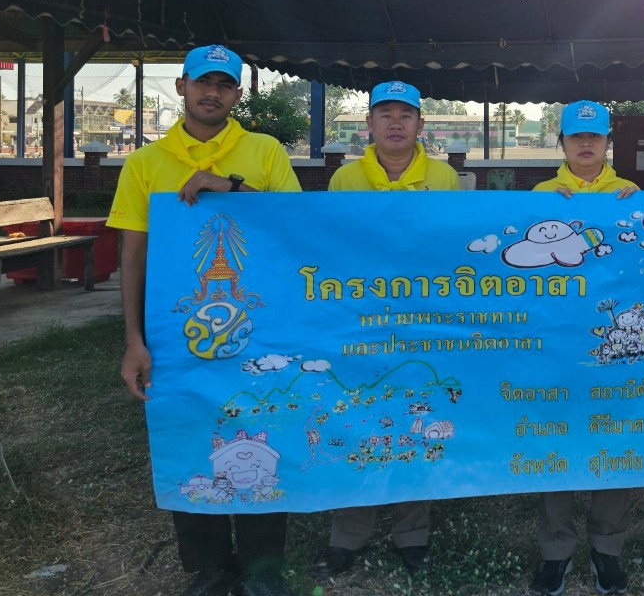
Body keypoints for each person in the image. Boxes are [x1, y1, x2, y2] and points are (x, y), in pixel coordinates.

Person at [109, 45, 301, 596]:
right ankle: (210, 567)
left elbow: (294, 227)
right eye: (202, 82)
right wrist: (133, 340)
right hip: (176, 336)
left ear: (237, 93)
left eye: (223, 84)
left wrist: (232, 189)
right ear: (181, 87)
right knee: (190, 435)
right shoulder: (145, 164)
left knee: (264, 431)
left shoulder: (264, 151)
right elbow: (133, 256)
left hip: (259, 331)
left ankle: (263, 567)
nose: (211, 93)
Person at [309, 79, 461, 582]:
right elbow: (332, 248)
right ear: (369, 123)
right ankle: (347, 535)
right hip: (361, 320)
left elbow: (452, 248)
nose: (396, 123)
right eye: (385, 114)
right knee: (359, 418)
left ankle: (412, 535)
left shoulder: (444, 178)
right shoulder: (345, 179)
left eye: (406, 114)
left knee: (416, 414)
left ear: (421, 124)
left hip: (422, 320)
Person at [528, 100, 636, 595]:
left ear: (608, 142)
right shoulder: (539, 196)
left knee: (613, 438)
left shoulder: (631, 194)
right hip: (555, 340)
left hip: (611, 344)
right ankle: (556, 552)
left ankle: (607, 548)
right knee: (554, 438)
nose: (586, 144)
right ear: (562, 143)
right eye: (576, 136)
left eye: (595, 136)